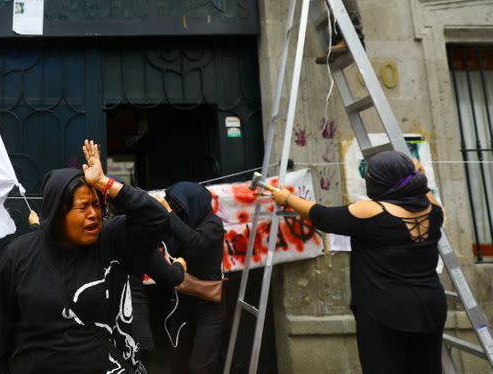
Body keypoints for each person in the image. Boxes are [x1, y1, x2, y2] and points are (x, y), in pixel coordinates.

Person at [0, 140, 170, 374]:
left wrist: (104, 183)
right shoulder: (18, 256)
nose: (93, 214)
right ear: (58, 214)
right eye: (83, 207)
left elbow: (159, 219)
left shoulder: (112, 240)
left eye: (96, 205)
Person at [266, 150, 446, 374]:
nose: (367, 179)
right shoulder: (434, 209)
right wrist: (417, 171)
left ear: (382, 182)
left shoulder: (373, 210)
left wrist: (288, 199)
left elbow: (323, 217)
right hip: (431, 306)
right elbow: (423, 187)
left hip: (385, 311)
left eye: (371, 176)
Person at [163, 181, 226, 374]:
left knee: (200, 368)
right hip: (183, 303)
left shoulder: (213, 224)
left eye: (179, 206)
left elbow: (195, 240)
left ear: (194, 203)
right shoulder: (182, 223)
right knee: (178, 365)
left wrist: (170, 215)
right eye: (173, 206)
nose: (177, 210)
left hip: (209, 308)